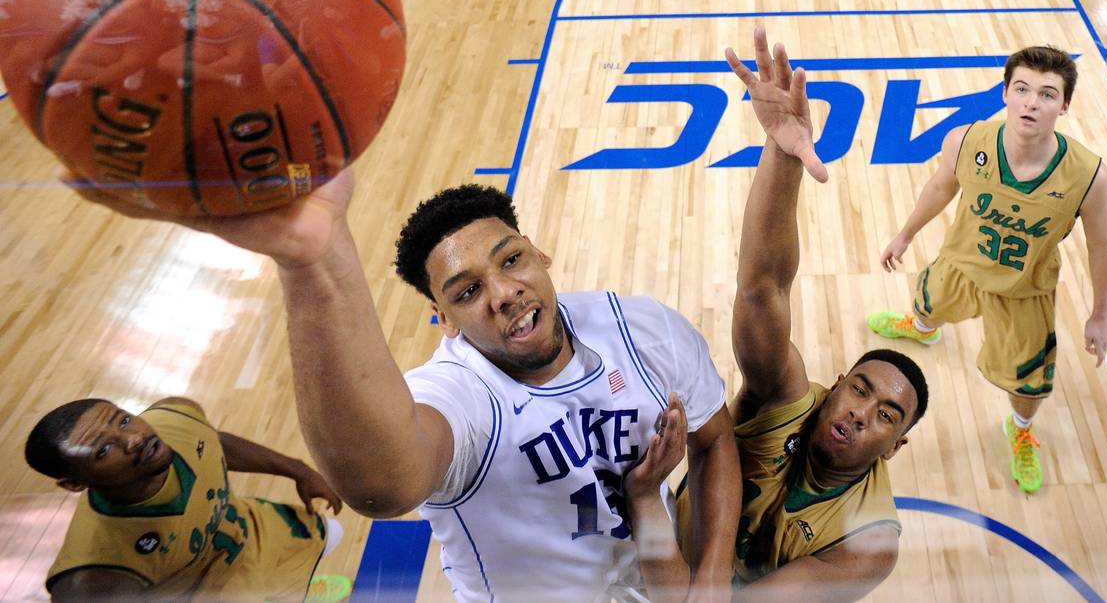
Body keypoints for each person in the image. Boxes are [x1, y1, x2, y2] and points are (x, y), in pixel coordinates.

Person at [70, 174, 740, 601]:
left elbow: (716, 440)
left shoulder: (640, 325)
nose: (505, 294)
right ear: (443, 320)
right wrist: (314, 264)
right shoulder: (459, 393)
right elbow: (383, 482)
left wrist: (711, 573)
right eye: (468, 291)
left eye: (511, 260)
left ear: (539, 252)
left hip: (665, 579)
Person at [626, 27, 929, 602]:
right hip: (654, 559)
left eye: (887, 416)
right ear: (834, 387)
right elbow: (762, 290)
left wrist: (646, 507)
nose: (862, 413)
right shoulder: (785, 398)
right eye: (859, 390)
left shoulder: (870, 542)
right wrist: (783, 155)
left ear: (894, 448)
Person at [867, 45, 1107, 494]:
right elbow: (941, 187)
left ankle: (1019, 429)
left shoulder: (1090, 177)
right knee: (927, 301)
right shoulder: (965, 140)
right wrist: (905, 235)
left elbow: (1101, 246)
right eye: (1021, 89)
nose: (1030, 102)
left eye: (1045, 94)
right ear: (1005, 93)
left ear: (1064, 105)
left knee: (1029, 380)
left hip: (1024, 289)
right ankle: (922, 328)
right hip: (962, 263)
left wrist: (1100, 313)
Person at [25, 396, 343, 602]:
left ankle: (303, 587)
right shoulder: (98, 571)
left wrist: (297, 469)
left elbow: (213, 441)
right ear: (75, 483)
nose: (134, 438)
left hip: (260, 534)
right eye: (103, 450)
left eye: (123, 421)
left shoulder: (176, 417)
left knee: (334, 535)